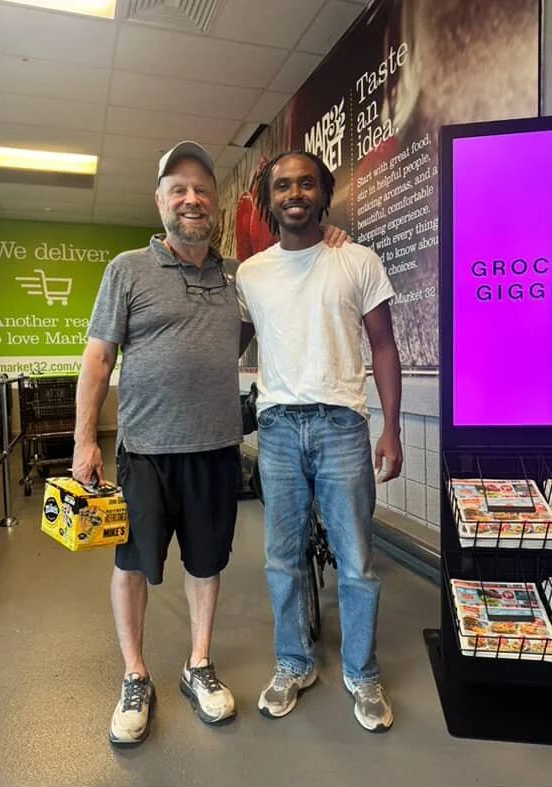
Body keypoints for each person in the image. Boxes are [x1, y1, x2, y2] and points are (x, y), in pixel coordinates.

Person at [72, 141, 349, 748]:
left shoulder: (236, 277)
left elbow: (288, 282)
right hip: (145, 450)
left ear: (216, 204)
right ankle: (135, 676)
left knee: (208, 563)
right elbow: (97, 358)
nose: (191, 199)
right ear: (161, 202)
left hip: (217, 449)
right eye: (179, 189)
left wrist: (330, 237)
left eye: (201, 189)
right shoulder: (126, 270)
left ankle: (198, 664)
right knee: (131, 566)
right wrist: (85, 440)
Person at [235, 150, 403, 732]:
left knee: (357, 562)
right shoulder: (250, 275)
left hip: (343, 428)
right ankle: (293, 663)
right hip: (278, 430)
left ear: (323, 194)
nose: (294, 193)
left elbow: (383, 346)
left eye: (306, 183)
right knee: (282, 559)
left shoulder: (356, 260)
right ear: (269, 199)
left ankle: (362, 672)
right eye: (283, 185)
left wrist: (392, 429)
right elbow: (225, 346)